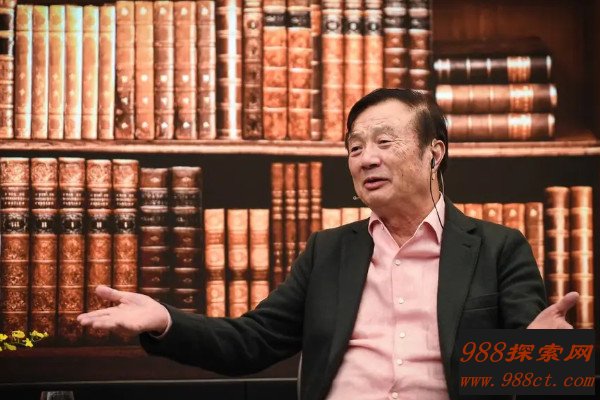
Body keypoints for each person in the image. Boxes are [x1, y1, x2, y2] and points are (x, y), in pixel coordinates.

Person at [78, 89, 579, 400]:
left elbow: (539, 374)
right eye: (355, 147)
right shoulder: (329, 252)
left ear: (434, 153)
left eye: (384, 142)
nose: (365, 159)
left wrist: (544, 356)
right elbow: (251, 342)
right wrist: (164, 320)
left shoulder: (498, 248)